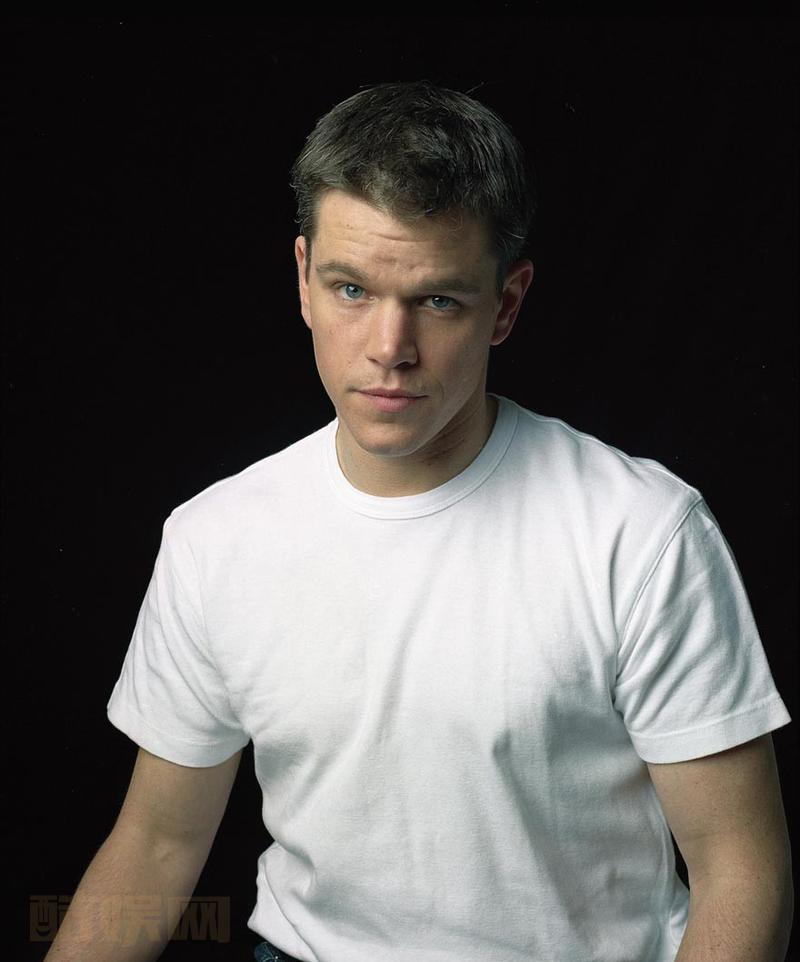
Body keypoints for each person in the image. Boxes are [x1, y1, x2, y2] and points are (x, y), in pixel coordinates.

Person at [47, 80, 792, 962]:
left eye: (438, 301)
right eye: (351, 289)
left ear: (506, 304)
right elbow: (157, 846)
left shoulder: (640, 533)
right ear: (303, 280)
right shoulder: (215, 539)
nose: (388, 349)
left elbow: (739, 865)